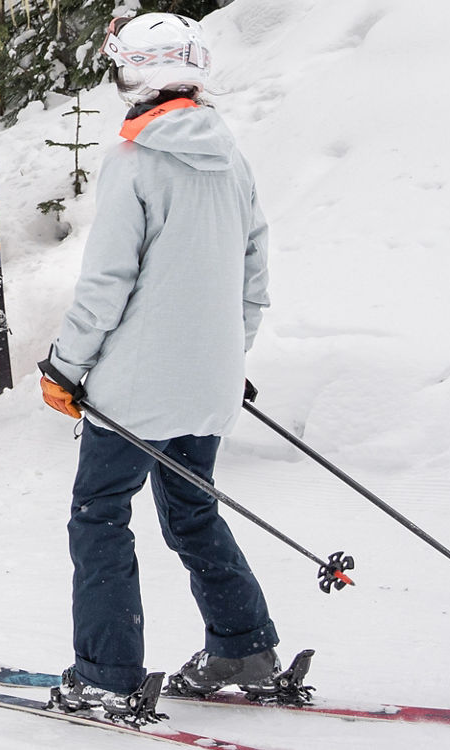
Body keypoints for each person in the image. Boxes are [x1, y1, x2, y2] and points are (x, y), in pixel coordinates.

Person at [35, 12, 282, 723]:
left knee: (99, 515)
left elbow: (107, 282)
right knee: (193, 507)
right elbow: (253, 273)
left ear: (134, 73)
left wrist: (66, 368)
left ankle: (106, 675)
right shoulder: (232, 158)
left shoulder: (135, 161)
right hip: (208, 384)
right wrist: (228, 354)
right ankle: (242, 648)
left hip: (135, 390)